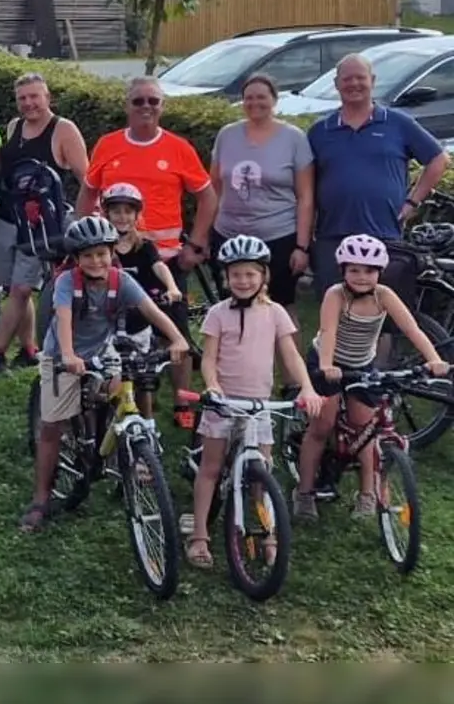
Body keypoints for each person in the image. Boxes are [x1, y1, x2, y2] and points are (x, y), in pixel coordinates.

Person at [21, 217, 190, 533]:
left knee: (121, 391)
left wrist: (178, 338)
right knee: (52, 425)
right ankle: (41, 498)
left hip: (103, 351)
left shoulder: (120, 280)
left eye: (102, 253)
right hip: (63, 355)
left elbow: (152, 311)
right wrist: (69, 356)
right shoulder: (67, 283)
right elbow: (65, 319)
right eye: (88, 255)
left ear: (112, 252)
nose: (97, 261)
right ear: (76, 259)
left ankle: (116, 451)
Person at [78, 76, 217, 428]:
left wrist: (196, 245)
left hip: (165, 259)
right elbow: (89, 191)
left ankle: (182, 402)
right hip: (112, 258)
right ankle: (117, 397)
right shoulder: (108, 145)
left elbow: (207, 196)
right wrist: (81, 239)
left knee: (176, 333)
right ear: (127, 105)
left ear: (162, 106)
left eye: (153, 101)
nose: (146, 107)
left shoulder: (178, 147)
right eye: (139, 101)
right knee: (114, 330)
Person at [186, 235, 323, 570]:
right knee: (211, 468)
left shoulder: (275, 313)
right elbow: (208, 358)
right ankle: (200, 535)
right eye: (236, 275)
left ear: (264, 276)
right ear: (226, 278)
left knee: (263, 476)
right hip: (224, 403)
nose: (243, 281)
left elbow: (290, 355)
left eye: (250, 274)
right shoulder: (218, 313)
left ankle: (269, 534)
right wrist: (213, 385)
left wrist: (306, 387)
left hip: (259, 405)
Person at [294, 234, 449, 521]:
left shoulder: (385, 296)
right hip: (328, 361)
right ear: (343, 270)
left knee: (365, 429)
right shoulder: (335, 294)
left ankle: (367, 495)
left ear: (380, 272)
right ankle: (304, 493)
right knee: (321, 425)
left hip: (362, 364)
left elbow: (413, 329)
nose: (362, 277)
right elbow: (327, 332)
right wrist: (327, 365)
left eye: (369, 271)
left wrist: (434, 359)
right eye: (354, 270)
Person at [307, 53, 450, 292]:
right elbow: (306, 185)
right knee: (333, 307)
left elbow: (438, 159)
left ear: (372, 81)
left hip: (384, 232)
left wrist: (412, 202)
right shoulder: (319, 131)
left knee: (382, 308)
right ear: (336, 84)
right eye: (347, 79)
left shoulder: (397, 123)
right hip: (332, 234)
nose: (354, 84)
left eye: (360, 78)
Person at [0, 72, 88, 372]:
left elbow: (88, 179)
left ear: (48, 97)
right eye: (22, 98)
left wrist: (79, 218)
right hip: (7, 217)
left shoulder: (64, 130)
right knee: (14, 288)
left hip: (40, 223)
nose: (29, 103)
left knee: (21, 289)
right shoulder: (14, 127)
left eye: (35, 96)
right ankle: (29, 349)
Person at [209, 73, 314, 322]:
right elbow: (213, 187)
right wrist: (203, 235)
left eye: (262, 97)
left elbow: (306, 196)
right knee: (231, 307)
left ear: (274, 100)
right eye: (249, 98)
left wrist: (302, 246)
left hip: (277, 237)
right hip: (229, 235)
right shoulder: (227, 135)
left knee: (281, 308)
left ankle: (290, 361)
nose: (255, 103)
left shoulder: (294, 138)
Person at [104, 182, 182, 419]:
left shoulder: (145, 247)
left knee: (143, 381)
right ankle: (106, 424)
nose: (122, 217)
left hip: (139, 324)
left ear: (137, 215)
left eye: (128, 211)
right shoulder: (103, 249)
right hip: (109, 324)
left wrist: (171, 287)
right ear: (106, 213)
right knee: (111, 380)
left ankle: (147, 427)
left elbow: (159, 267)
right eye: (116, 211)